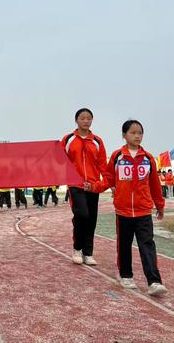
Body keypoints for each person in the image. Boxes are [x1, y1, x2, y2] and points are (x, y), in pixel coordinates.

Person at [86, 120, 167, 296]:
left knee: (147, 245)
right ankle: (126, 275)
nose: (137, 136)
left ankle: (154, 281)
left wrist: (159, 205)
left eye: (140, 133)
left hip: (143, 210)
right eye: (133, 133)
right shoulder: (117, 157)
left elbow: (155, 185)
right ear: (124, 135)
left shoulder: (148, 159)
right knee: (124, 245)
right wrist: (93, 187)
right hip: (122, 211)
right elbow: (108, 179)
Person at [61, 108, 107, 266]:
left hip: (93, 185)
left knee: (92, 219)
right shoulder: (68, 139)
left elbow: (102, 165)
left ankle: (88, 253)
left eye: (89, 118)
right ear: (76, 120)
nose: (86, 121)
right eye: (82, 118)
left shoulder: (98, 141)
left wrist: (106, 183)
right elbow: (61, 161)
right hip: (76, 185)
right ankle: (77, 249)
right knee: (82, 215)